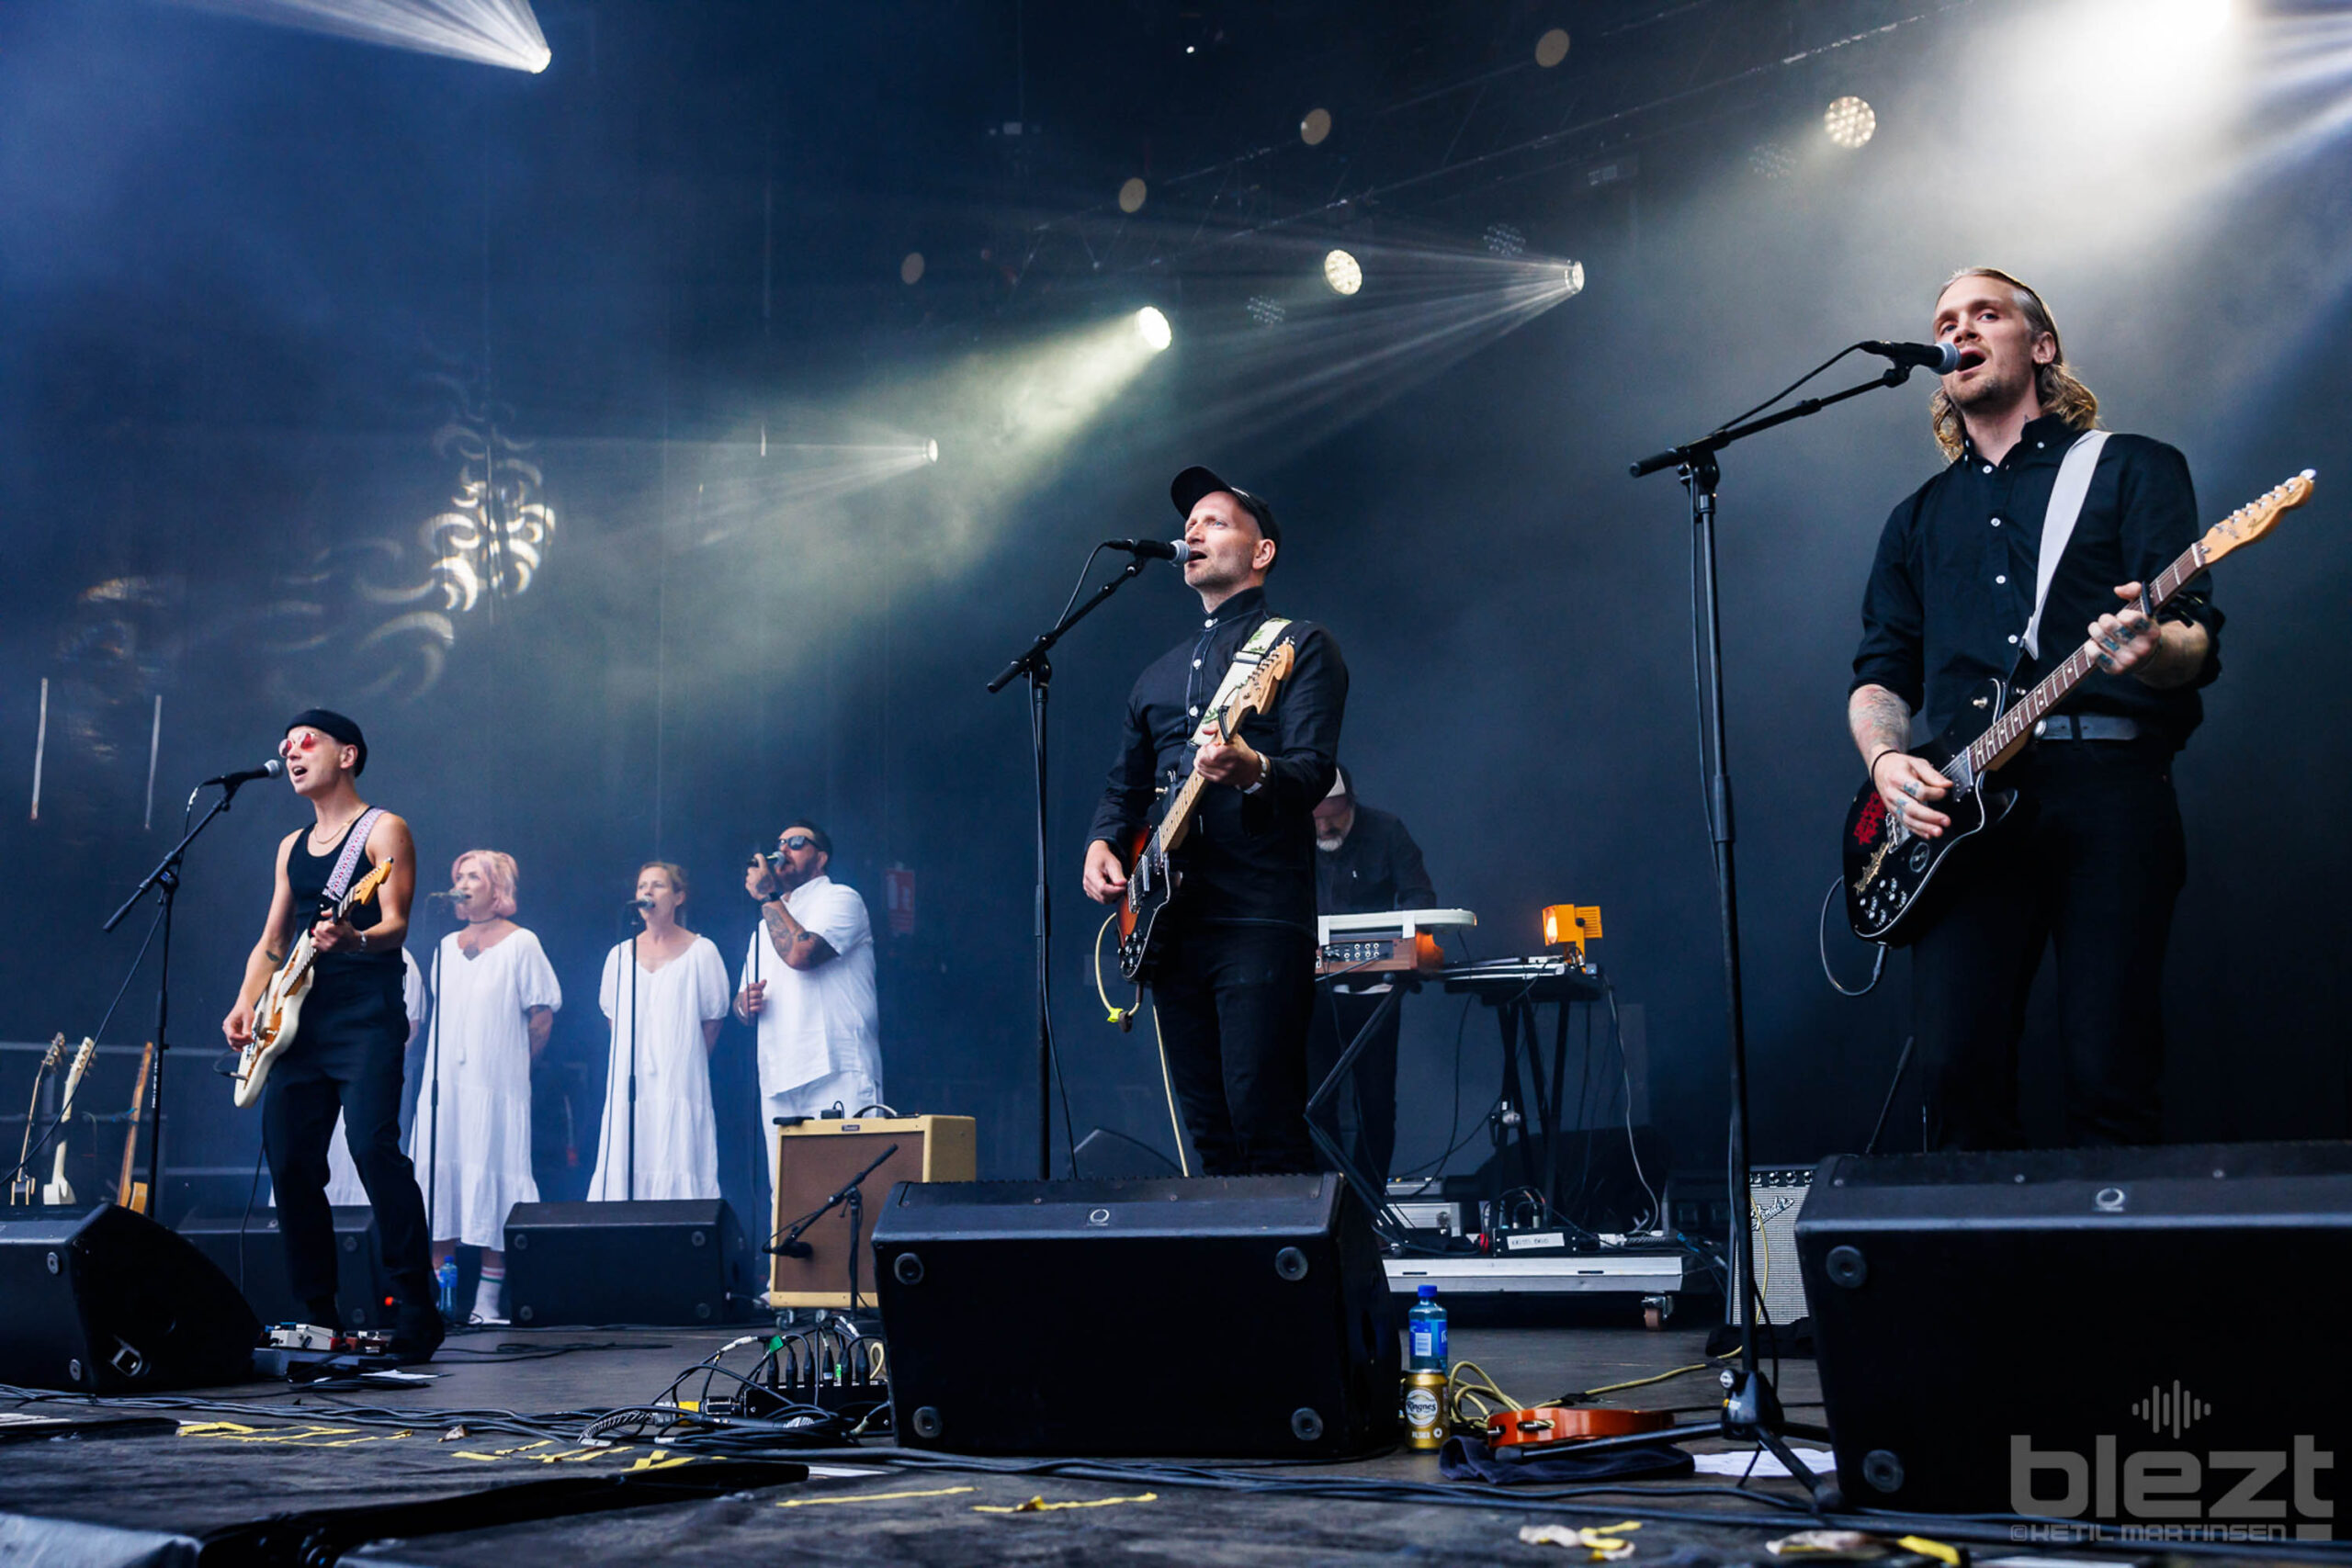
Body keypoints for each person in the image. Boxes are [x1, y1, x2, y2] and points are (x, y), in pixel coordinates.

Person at [1849, 266, 2221, 1150]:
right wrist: (1884, 760)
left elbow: (2198, 639)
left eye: (1986, 312)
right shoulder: (1915, 519)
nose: (1960, 327)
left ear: (2041, 346)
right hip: (1965, 813)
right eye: (1946, 319)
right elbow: (1880, 676)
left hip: (2108, 785)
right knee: (1955, 1074)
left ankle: (2116, 1283)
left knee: (2108, 1070)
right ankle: (1986, 1289)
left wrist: (2155, 647)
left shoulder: (2133, 465)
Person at [1084, 465, 1348, 1175]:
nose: (1193, 531)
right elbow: (1125, 785)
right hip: (1171, 926)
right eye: (1189, 522)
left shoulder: (1298, 644)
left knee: (1263, 1117)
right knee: (1207, 1133)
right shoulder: (1156, 676)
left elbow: (1312, 767)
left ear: (1262, 553)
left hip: (1258, 915)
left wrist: (1251, 769)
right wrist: (1104, 842)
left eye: (1217, 520)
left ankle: (1295, 1281)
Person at [220, 710, 440, 1360]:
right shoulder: (291, 846)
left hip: (365, 1016)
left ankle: (415, 1310)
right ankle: (318, 1311)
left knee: (374, 1149)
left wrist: (356, 936)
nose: (290, 752)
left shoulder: (384, 828)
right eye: (284, 745)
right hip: (298, 1027)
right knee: (289, 1160)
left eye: (305, 742)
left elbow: (396, 923)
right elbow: (272, 942)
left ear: (348, 754)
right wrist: (243, 1004)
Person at [412, 850, 560, 1325]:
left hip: (496, 1087)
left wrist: (518, 1070)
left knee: (497, 1179)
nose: (462, 882)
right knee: (441, 1183)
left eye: (473, 875)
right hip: (446, 1088)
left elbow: (541, 1016)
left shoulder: (523, 944)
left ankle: (487, 1303)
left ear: (497, 887)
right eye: (458, 875)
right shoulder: (443, 948)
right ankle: (445, 1300)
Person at [1304, 765, 1436, 1188]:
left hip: (1376, 991)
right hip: (1313, 992)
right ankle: (1324, 1201)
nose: (1324, 825)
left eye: (1333, 816)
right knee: (1314, 1104)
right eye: (1316, 817)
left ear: (1351, 802)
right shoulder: (1294, 839)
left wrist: (1405, 936)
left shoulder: (1386, 831)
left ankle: (1369, 1205)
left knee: (1376, 1103)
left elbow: (1419, 895)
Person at [736, 820, 882, 1162]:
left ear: (821, 858)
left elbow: (802, 954)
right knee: (787, 1199)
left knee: (847, 1188)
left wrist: (769, 896)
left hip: (835, 1069)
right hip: (778, 1076)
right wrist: (744, 1004)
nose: (784, 849)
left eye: (797, 842)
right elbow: (740, 1005)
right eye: (780, 842)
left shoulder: (841, 898)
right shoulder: (764, 925)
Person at [587, 861, 730, 1201]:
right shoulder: (619, 955)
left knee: (676, 1152)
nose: (647, 892)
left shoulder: (702, 951)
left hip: (679, 1081)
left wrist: (683, 1058)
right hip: (630, 1083)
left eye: (658, 885)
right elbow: (613, 1019)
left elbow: (712, 1020)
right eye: (641, 887)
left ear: (679, 896)